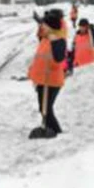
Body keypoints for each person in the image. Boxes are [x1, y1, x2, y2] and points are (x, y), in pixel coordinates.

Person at [28, 10, 67, 139]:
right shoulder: (45, 38)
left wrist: (55, 41)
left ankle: (56, 131)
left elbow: (58, 60)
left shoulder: (59, 41)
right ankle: (51, 129)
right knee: (44, 108)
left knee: (46, 108)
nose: (41, 27)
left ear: (50, 27)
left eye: (44, 25)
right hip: (42, 80)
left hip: (51, 81)